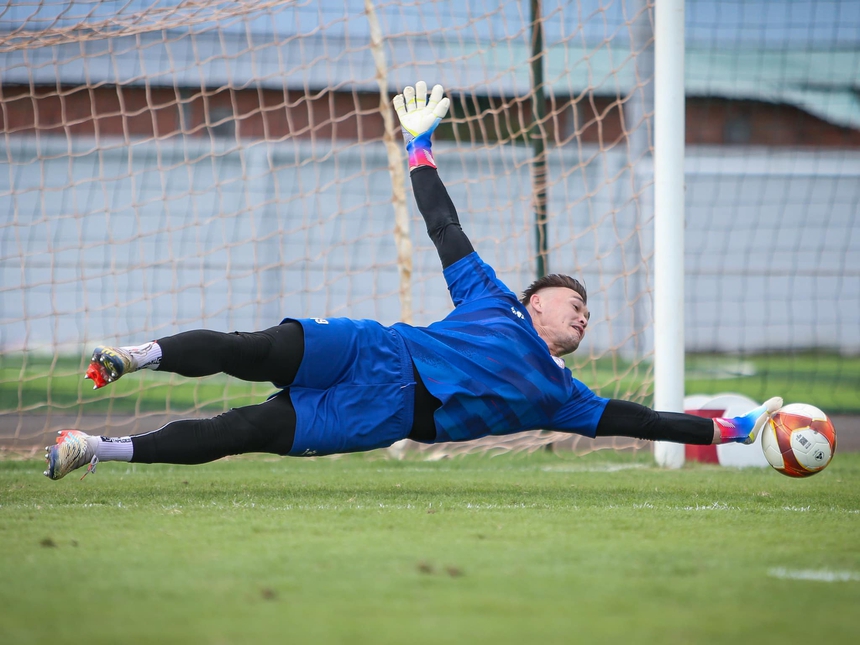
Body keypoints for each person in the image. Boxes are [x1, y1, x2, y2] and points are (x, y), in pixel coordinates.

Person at [45, 82, 781, 480]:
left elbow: (646, 421)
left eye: (588, 312)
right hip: (376, 352)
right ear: (536, 299)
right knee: (255, 348)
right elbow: (445, 228)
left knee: (241, 431)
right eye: (575, 301)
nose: (585, 315)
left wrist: (738, 427)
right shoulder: (492, 299)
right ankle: (132, 355)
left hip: (381, 418)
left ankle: (93, 448)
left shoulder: (566, 397)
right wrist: (420, 147)